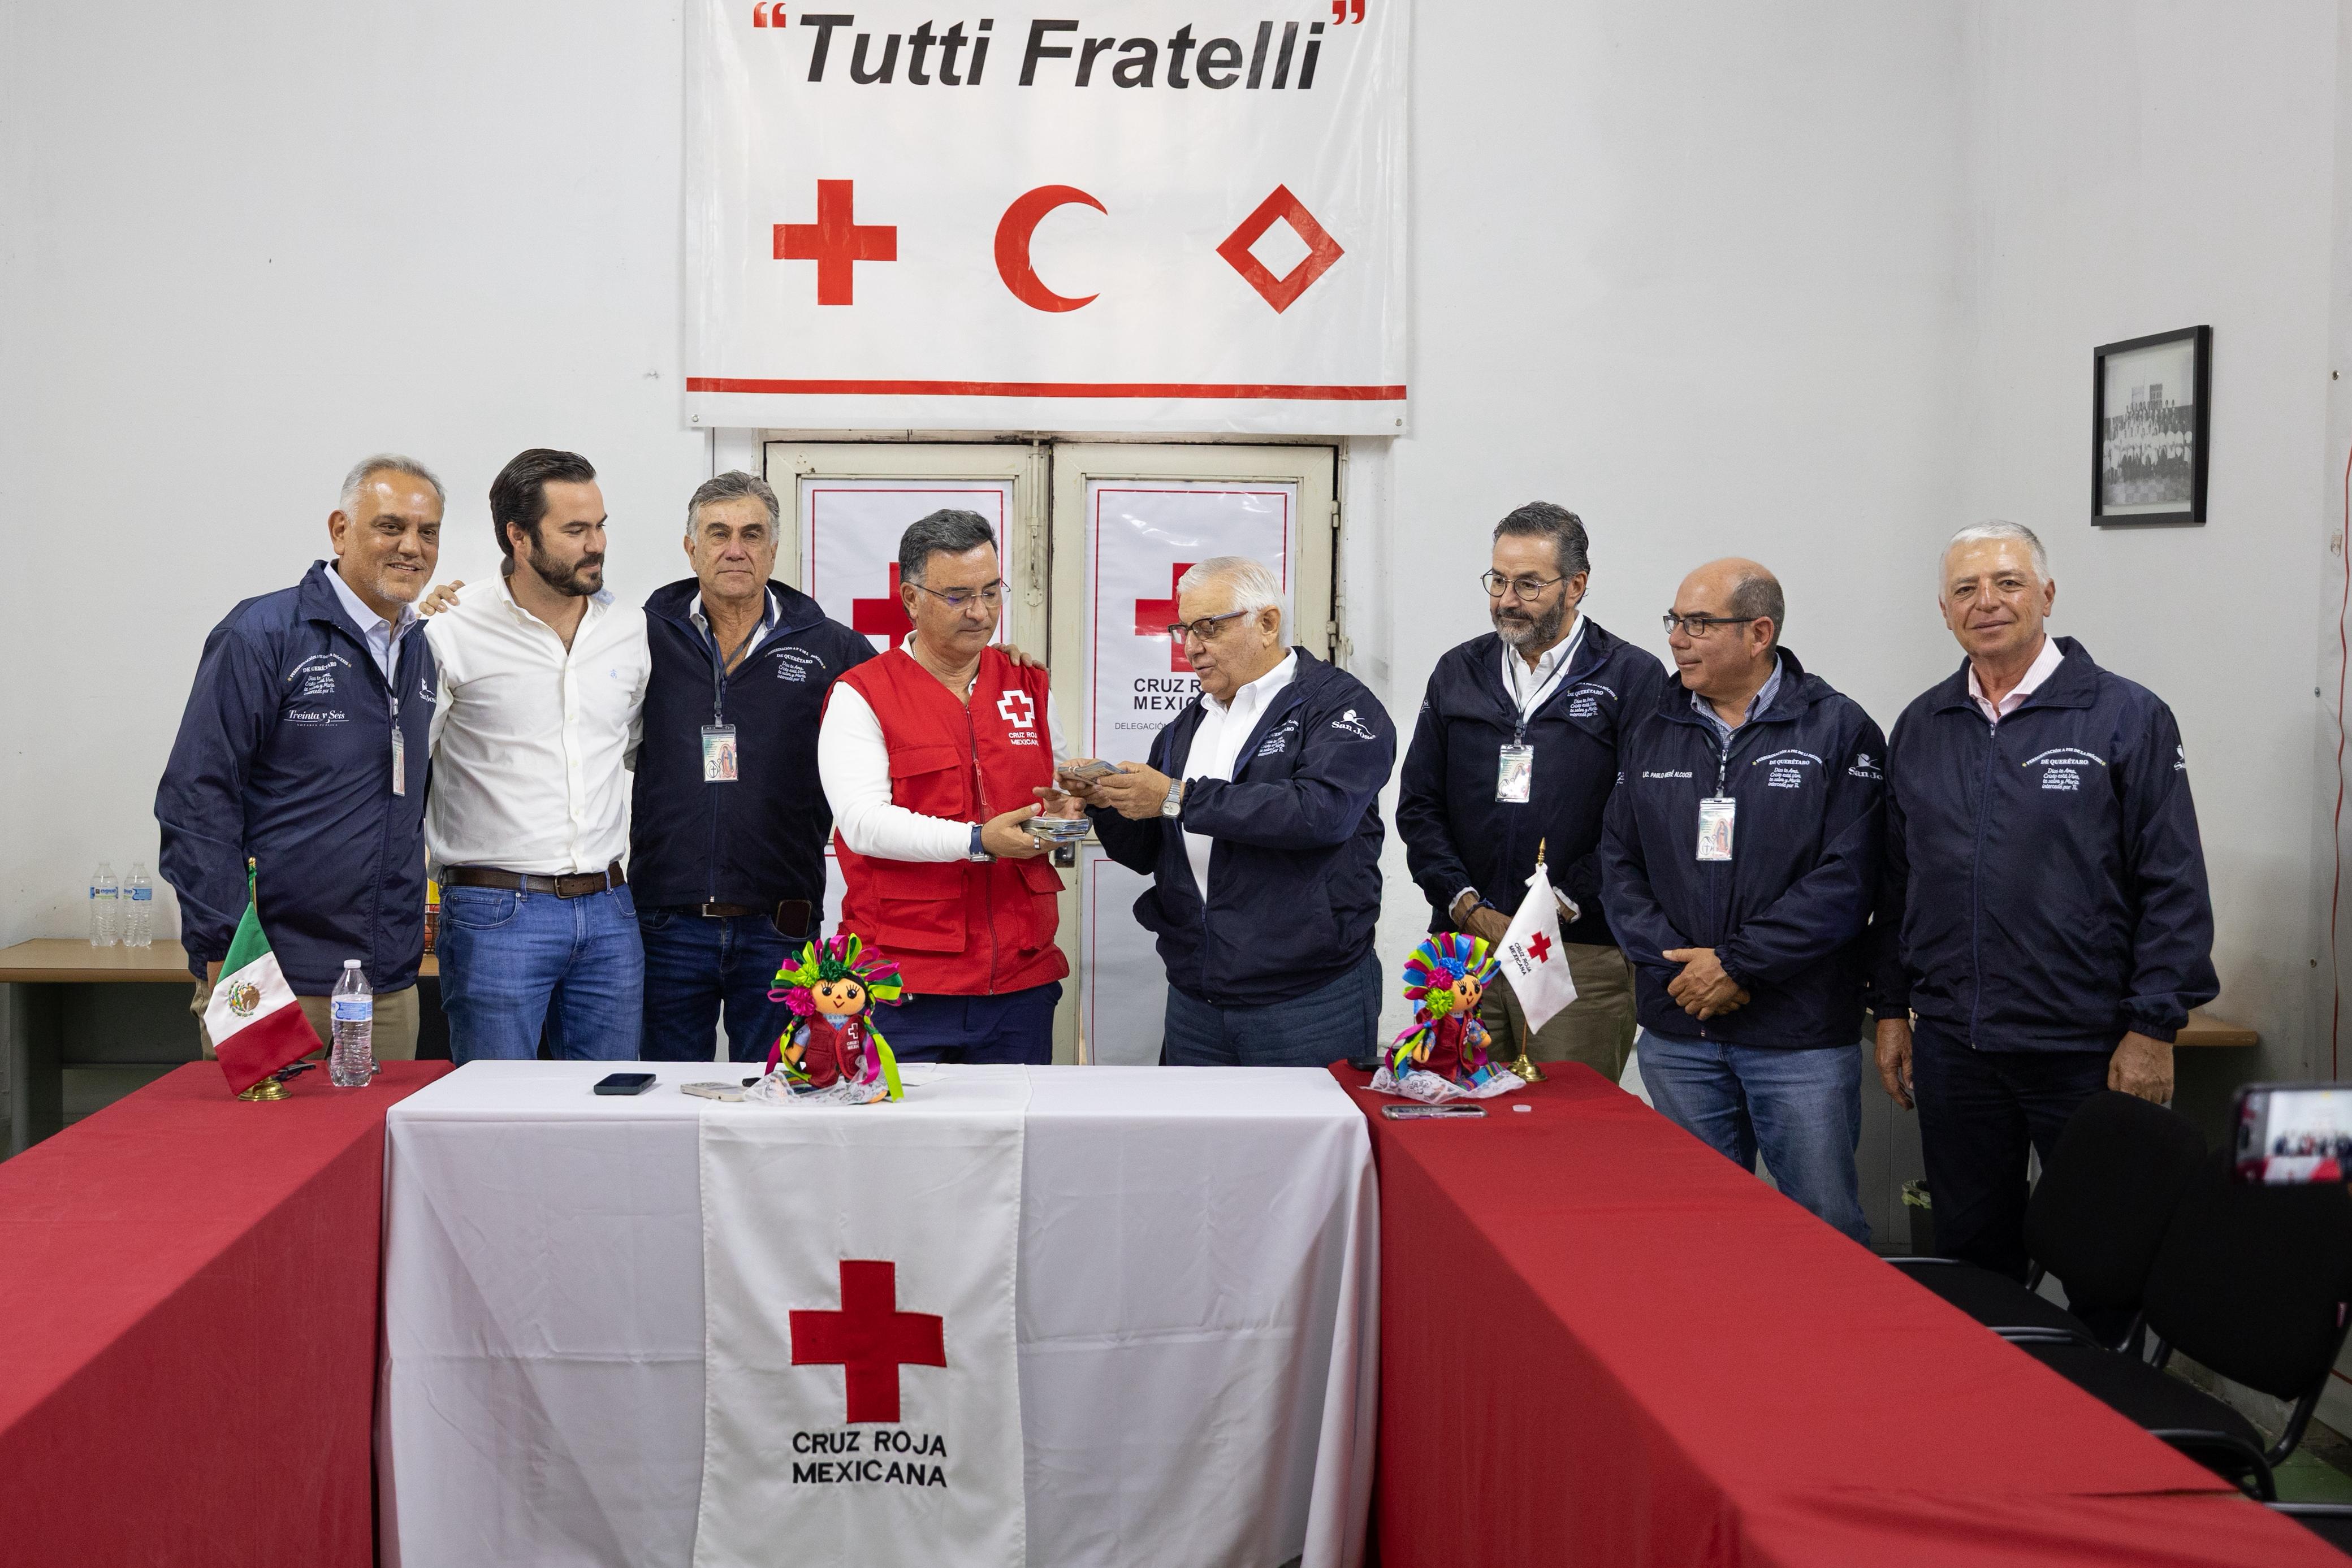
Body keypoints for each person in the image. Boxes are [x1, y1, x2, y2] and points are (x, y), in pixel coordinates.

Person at [1873, 521, 2215, 1280]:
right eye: (1966, 588)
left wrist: (2153, 1027)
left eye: (2007, 582)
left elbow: (2173, 882)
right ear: (1943, 608)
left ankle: (2115, 1401)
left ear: (2048, 595)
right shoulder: (1923, 725)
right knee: (1971, 1256)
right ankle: (1990, 1397)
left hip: (2084, 1046)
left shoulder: (2127, 716)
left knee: (2107, 1257)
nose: (1986, 601)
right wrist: (1892, 1008)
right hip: (1955, 1048)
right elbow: (1898, 883)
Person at [1600, 560, 1884, 1242]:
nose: (1677, 639)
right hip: (1679, 1032)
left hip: (1796, 1037)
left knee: (1820, 1225)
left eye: (1698, 623)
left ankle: (1830, 1349)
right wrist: (1680, 968)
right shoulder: (1652, 726)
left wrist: (1736, 965)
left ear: (1759, 633)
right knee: (1696, 1228)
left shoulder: (1838, 729)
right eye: (1674, 621)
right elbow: (1618, 865)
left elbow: (1847, 880)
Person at [157, 454, 446, 1060]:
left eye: (427, 532)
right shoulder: (263, 633)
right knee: (263, 1154)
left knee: (375, 1154)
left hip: (384, 985)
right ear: (340, 530)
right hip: (273, 976)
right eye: (390, 526)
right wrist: (229, 959)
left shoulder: (420, 649)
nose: (411, 547)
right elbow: (195, 797)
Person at [1074, 557, 1396, 1067]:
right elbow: (1147, 853)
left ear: (1267, 623)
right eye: (1183, 630)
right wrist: (1104, 803)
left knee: (1310, 1147)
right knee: (1197, 1148)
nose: (1191, 647)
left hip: (1307, 1000)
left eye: (1208, 628)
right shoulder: (1187, 726)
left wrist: (1178, 797)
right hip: (1197, 998)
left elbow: (1321, 812)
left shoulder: (1339, 706)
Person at [1397, 502, 1667, 1081]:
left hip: (1577, 954)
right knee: (1454, 1120)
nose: (1505, 599)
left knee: (1564, 1137)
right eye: (1496, 580)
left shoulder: (1630, 677)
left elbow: (1643, 818)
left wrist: (1559, 904)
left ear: (1576, 585)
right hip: (1462, 948)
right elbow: (1418, 806)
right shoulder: (1458, 671)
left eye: (1527, 584)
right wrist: (1465, 905)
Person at [815, 508, 1076, 1063]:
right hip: (904, 984)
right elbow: (861, 823)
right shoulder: (862, 693)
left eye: (990, 591)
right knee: (899, 1149)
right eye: (957, 596)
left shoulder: (1027, 683)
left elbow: (1058, 791)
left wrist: (1071, 812)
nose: (980, 612)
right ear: (911, 598)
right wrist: (978, 840)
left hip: (1019, 982)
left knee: (1018, 1147)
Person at [632, 471, 875, 1062]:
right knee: (661, 1101)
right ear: (690, 547)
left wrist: (985, 659)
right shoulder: (637, 635)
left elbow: (910, 702)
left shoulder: (833, 649)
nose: (734, 548)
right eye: (717, 533)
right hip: (665, 923)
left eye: (751, 533)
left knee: (777, 1097)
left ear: (773, 548)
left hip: (780, 926)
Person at [424, 448, 651, 1062]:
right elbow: (404, 768)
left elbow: (632, 747)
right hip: (495, 910)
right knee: (494, 1118)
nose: (596, 544)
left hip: (609, 908)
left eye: (600, 525)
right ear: (517, 536)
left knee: (611, 1115)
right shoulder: (450, 628)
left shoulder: (629, 629)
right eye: (575, 531)